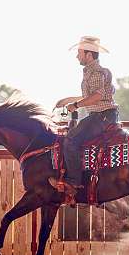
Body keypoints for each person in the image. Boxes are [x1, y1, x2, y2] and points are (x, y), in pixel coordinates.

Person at [50, 36, 120, 195]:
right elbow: (90, 96)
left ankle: (74, 182)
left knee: (71, 140)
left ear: (89, 55)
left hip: (101, 116)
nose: (77, 56)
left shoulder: (95, 72)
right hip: (104, 115)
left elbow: (97, 96)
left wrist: (75, 105)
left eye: (79, 53)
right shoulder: (94, 71)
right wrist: (68, 100)